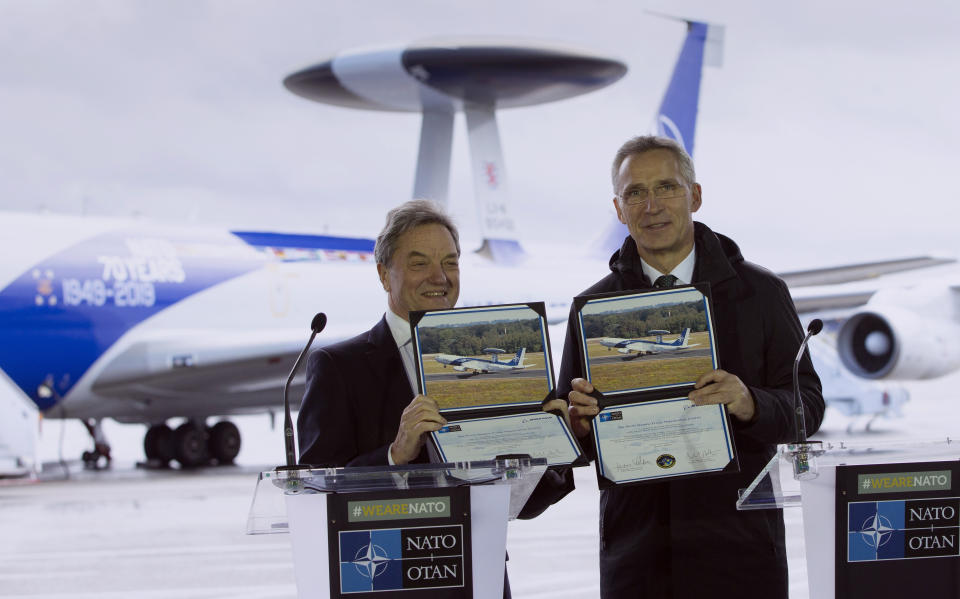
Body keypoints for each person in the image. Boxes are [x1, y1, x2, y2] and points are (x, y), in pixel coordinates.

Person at [557, 136, 824, 598]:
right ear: (619, 209)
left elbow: (809, 408)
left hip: (740, 558)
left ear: (695, 195)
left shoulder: (761, 293)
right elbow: (569, 437)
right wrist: (577, 428)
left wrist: (750, 402)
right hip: (636, 560)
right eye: (635, 193)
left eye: (667, 187)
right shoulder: (592, 309)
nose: (652, 205)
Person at [298, 199, 573, 596]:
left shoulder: (489, 362)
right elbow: (315, 496)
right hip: (384, 577)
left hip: (480, 574)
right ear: (383, 273)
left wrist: (554, 447)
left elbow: (521, 505)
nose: (439, 277)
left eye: (450, 262)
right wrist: (395, 455)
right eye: (418, 263)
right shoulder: (338, 366)